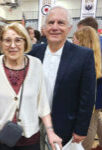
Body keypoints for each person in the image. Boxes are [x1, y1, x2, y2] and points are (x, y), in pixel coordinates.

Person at [0, 22, 62, 150]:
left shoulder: (36, 64)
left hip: (30, 138)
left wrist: (50, 131)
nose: (12, 45)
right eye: (7, 40)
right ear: (1, 43)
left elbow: (42, 103)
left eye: (18, 40)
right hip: (0, 136)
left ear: (25, 42)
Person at [29, 6, 96, 147]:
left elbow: (87, 96)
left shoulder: (83, 56)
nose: (55, 27)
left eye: (61, 23)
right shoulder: (33, 53)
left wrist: (81, 128)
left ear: (69, 28)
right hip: (34, 123)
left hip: (65, 126)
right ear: (44, 27)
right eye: (51, 22)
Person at [73, 26, 102, 150]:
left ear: (81, 41)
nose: (72, 42)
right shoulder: (96, 58)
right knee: (94, 122)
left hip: (89, 105)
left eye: (74, 40)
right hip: (95, 104)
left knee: (86, 132)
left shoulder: (84, 61)